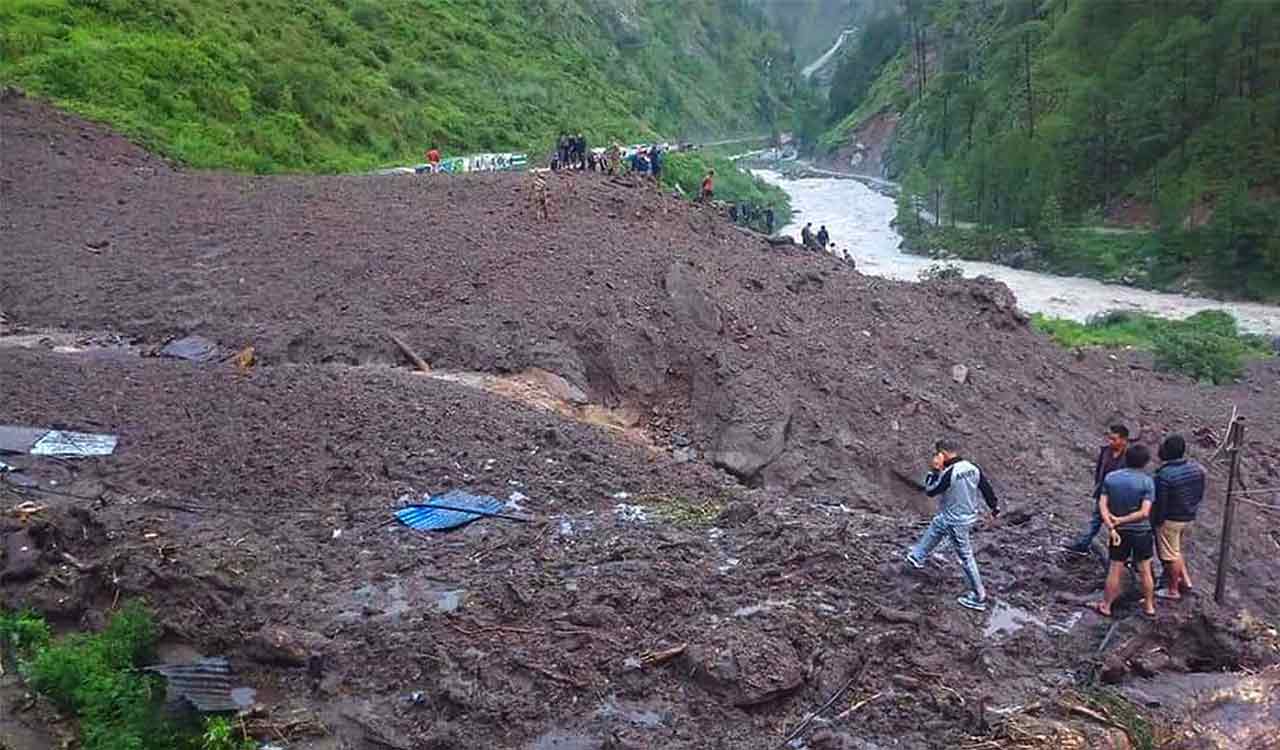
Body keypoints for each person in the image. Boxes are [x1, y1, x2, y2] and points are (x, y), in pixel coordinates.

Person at [906, 439, 1001, 611]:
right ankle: (917, 556)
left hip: (956, 521)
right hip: (961, 515)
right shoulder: (973, 468)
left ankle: (979, 597)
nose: (935, 457)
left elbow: (930, 491)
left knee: (965, 556)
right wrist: (994, 508)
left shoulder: (949, 473)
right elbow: (986, 489)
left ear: (943, 454)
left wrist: (935, 471)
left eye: (937, 454)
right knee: (937, 525)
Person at [1093, 444, 1157, 618]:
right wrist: (1123, 519)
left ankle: (1106, 605)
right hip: (1141, 533)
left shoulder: (1111, 478)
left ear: (1126, 458)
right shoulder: (1147, 481)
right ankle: (1149, 606)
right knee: (1145, 569)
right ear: (1145, 462)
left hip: (1119, 532)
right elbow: (1144, 513)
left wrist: (1112, 523)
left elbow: (1102, 504)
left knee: (1115, 569)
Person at [1152, 434, 1205, 600]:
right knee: (1175, 549)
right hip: (1188, 516)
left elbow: (1161, 503)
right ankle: (1186, 582)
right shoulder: (1198, 469)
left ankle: (1173, 590)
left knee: (1169, 555)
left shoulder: (1164, 476)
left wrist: (1157, 522)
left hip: (1171, 520)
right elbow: (1199, 494)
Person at [1065, 424, 1130, 555]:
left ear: (1124, 440)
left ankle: (1123, 554)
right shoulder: (1106, 451)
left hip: (1120, 496)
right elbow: (1099, 469)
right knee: (1096, 520)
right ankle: (1082, 544)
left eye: (1114, 439)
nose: (1111, 442)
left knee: (1120, 526)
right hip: (1103, 493)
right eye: (1110, 438)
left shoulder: (1130, 456)